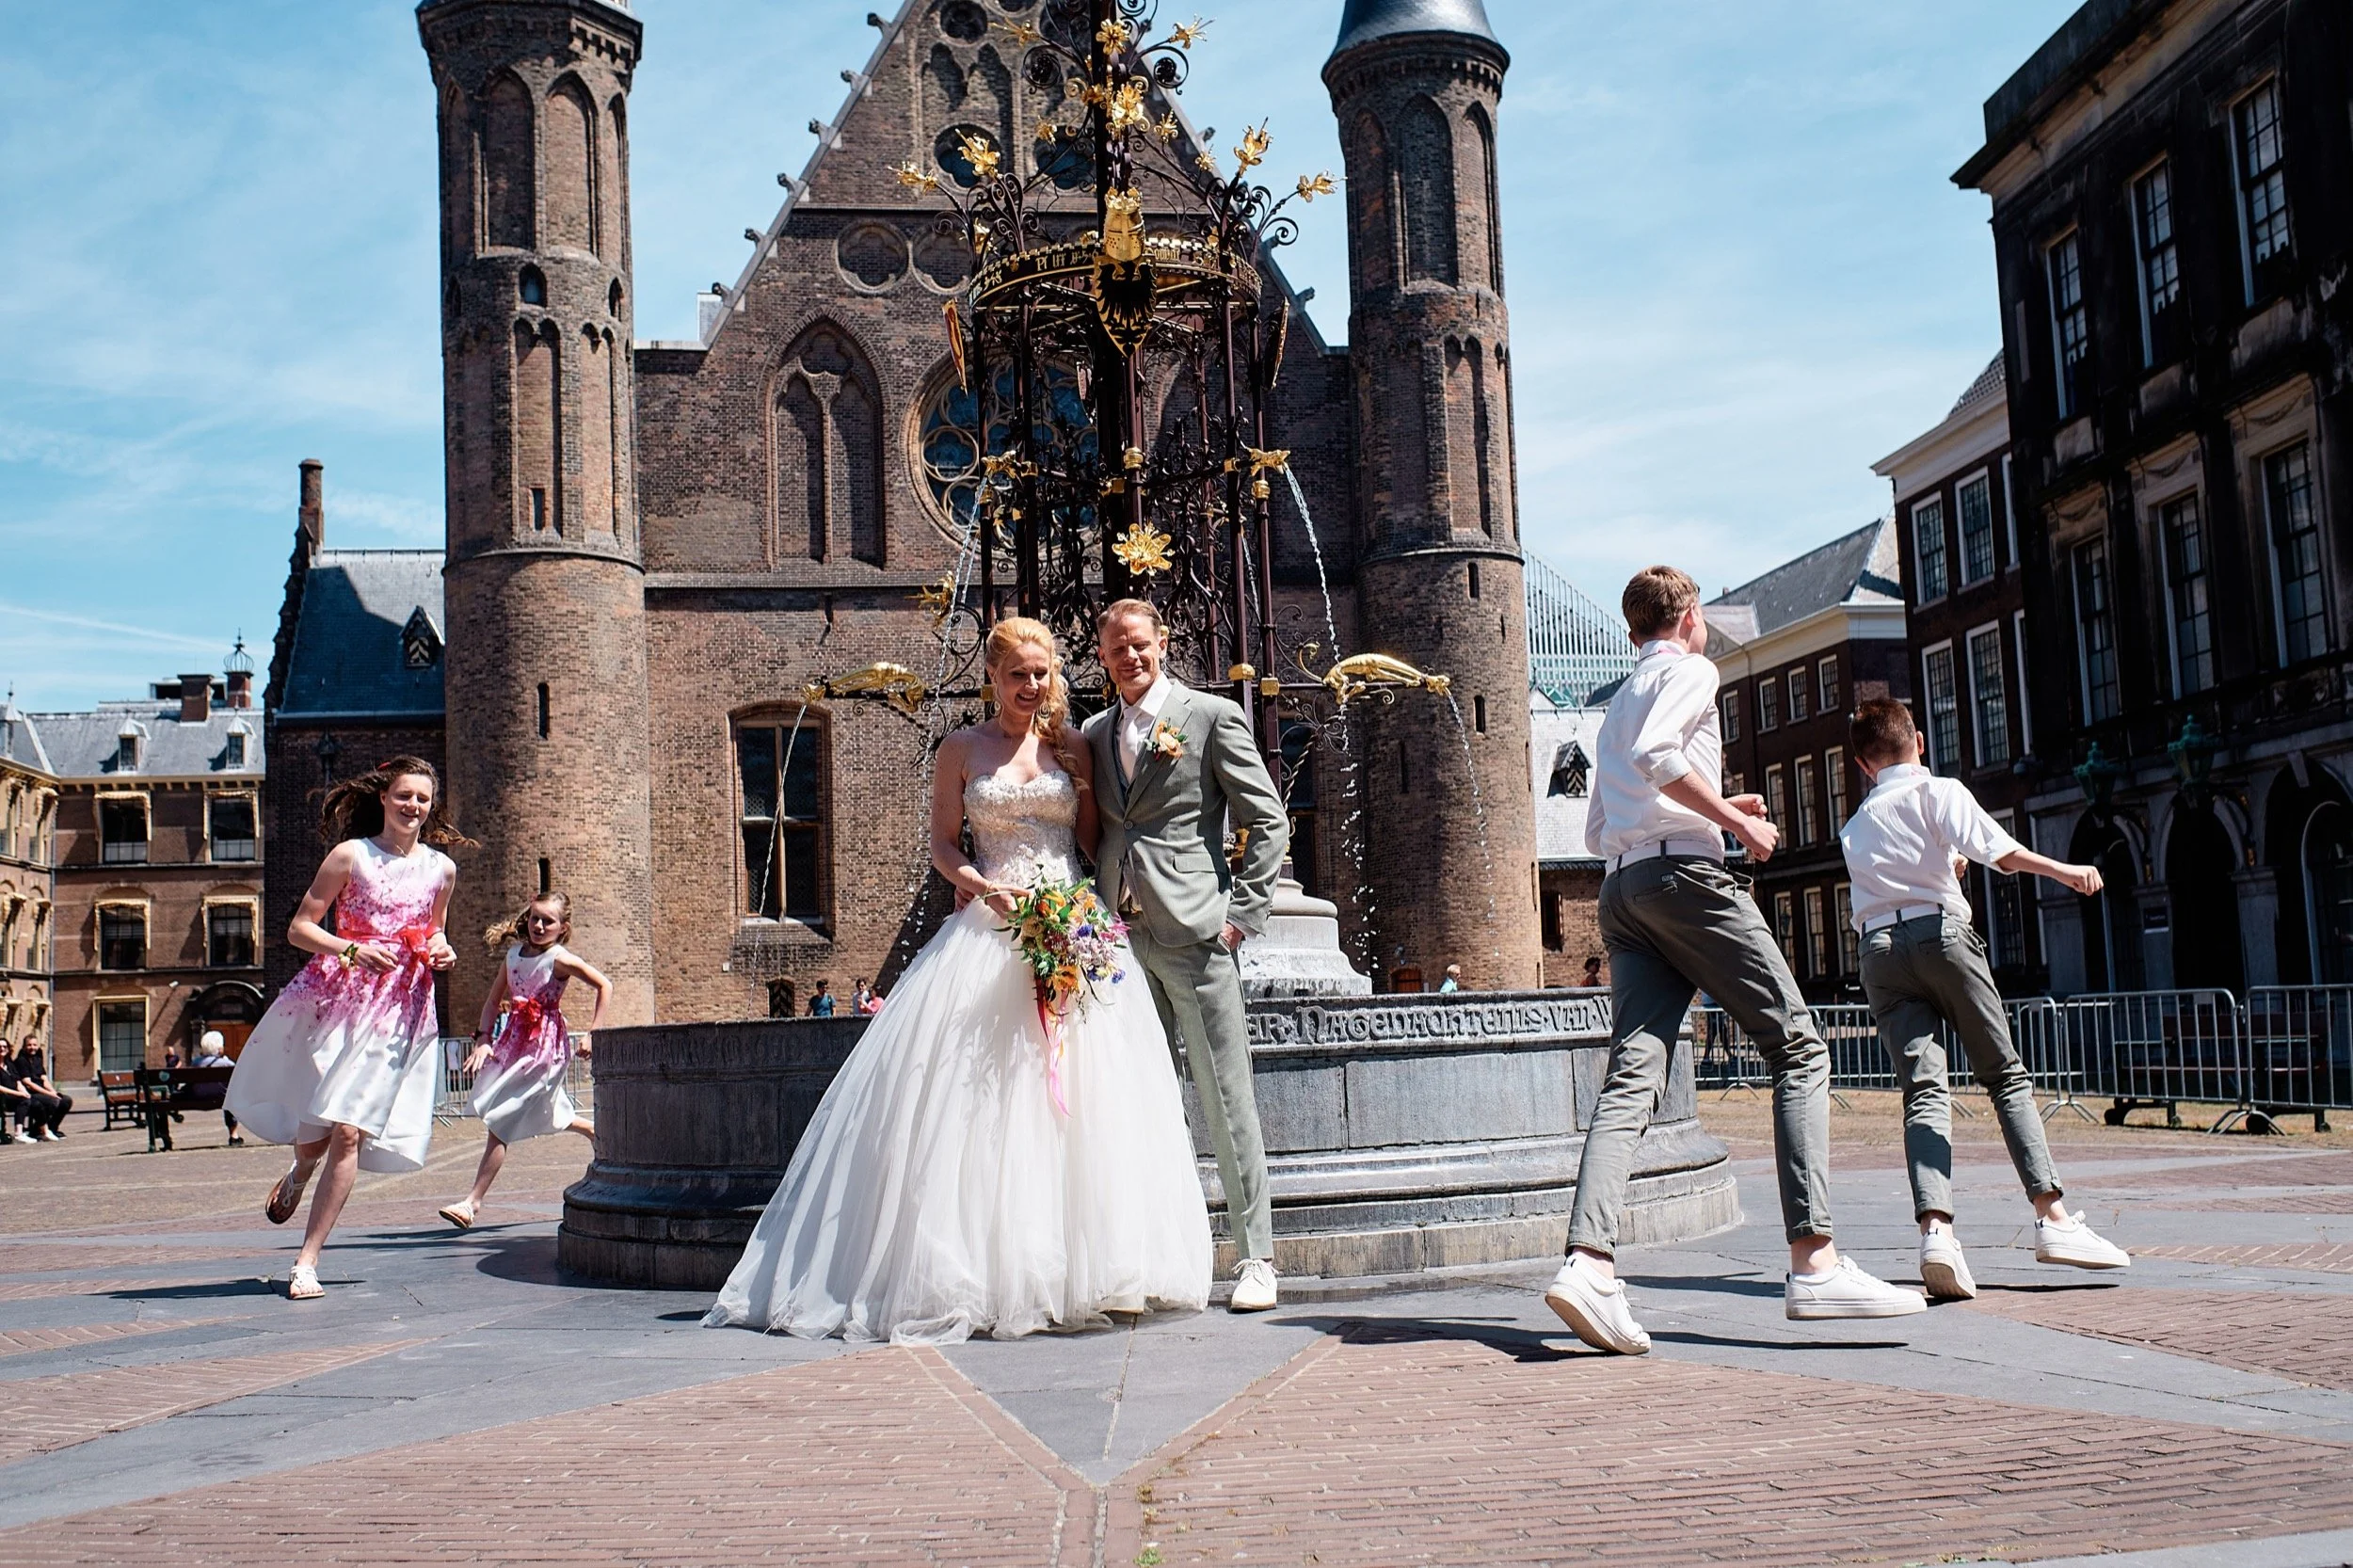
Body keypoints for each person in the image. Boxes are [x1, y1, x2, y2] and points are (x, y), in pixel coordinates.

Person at [705, 616, 1209, 1343]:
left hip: (1071, 920)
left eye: (1042, 673)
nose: (1031, 687)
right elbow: (943, 844)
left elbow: (1095, 842)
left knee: (1091, 1105)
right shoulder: (961, 750)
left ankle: (1100, 1268)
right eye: (1018, 675)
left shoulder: (1072, 748)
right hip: (990, 928)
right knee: (988, 1102)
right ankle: (991, 1272)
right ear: (993, 676)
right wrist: (978, 882)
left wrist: (1106, 906)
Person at [1545, 567, 1923, 1354]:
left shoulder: (1615, 703)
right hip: (1686, 879)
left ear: (1629, 631)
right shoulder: (1692, 669)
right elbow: (1659, 757)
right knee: (1800, 1048)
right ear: (1687, 619)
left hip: (1623, 889)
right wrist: (1733, 826)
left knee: (1630, 1079)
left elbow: (1597, 828)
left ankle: (1588, 1263)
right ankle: (1814, 1261)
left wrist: (1718, 803)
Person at [1840, 697, 2131, 1297]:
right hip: (1940, 936)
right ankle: (2052, 1219)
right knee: (2005, 1075)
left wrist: (1940, 870)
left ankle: (1936, 1233)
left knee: (1923, 1090)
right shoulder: (1938, 792)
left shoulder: (1857, 823)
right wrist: (2068, 871)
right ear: (1918, 741)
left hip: (1877, 951)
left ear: (1865, 765)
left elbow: (1892, 881)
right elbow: (2001, 853)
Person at [1085, 600, 1290, 1313]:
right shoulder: (1092, 731)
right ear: (1102, 656)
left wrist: (1241, 919)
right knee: (1137, 1103)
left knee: (1226, 1099)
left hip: (1198, 938)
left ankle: (1256, 1258)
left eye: (1140, 646)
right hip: (1120, 944)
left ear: (1162, 643)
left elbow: (1267, 819)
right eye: (1117, 651)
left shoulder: (1209, 717)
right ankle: (1152, 1258)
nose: (1130, 659)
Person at [225, 756, 462, 1301]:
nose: (413, 807)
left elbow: (434, 934)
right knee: (320, 1129)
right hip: (340, 1001)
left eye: (422, 799)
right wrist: (351, 947)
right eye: (404, 795)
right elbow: (300, 927)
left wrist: (442, 952)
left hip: (399, 1011)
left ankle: (306, 1262)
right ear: (384, 797)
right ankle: (300, 1171)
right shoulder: (350, 855)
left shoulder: (441, 869)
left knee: (350, 1130)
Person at [437, 892, 611, 1230]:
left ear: (563, 928)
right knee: (532, 1109)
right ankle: (591, 1130)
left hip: (545, 1049)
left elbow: (605, 985)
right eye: (535, 918)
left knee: (500, 1122)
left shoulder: (560, 959)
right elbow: (492, 1001)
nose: (539, 925)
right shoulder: (513, 955)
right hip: (514, 1042)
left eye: (548, 921)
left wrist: (593, 1033)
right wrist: (483, 1039)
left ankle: (472, 1203)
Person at [9, 1043, 71, 1141]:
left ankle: (52, 1128)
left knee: (66, 1100)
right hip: (31, 1093)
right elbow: (29, 1083)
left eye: (34, 1045)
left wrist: (54, 1092)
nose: (32, 1048)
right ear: (24, 1047)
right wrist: (50, 1094)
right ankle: (37, 1131)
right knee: (52, 1102)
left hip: (42, 1092)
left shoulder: (37, 1060)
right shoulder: (21, 1061)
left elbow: (44, 1079)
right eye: (29, 1045)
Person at [192, 1031, 241, 1145]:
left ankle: (166, 1137)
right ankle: (234, 1135)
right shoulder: (227, 1064)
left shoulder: (196, 1063)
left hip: (198, 1097)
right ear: (219, 1048)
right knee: (230, 1097)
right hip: (221, 1097)